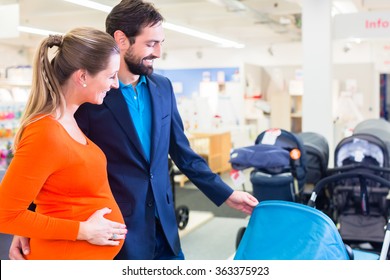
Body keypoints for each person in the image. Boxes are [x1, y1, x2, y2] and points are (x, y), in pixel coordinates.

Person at [9, 0, 258, 260]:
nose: (159, 52)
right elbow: (50, 165)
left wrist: (226, 193)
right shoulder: (90, 96)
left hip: (166, 226)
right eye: (151, 44)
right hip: (116, 234)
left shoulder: (163, 88)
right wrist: (25, 224)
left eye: (162, 43)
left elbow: (183, 153)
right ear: (121, 39)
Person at [0, 27, 127, 260]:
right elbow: (5, 214)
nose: (116, 84)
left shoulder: (68, 121)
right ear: (82, 77)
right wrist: (83, 231)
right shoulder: (44, 132)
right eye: (111, 76)